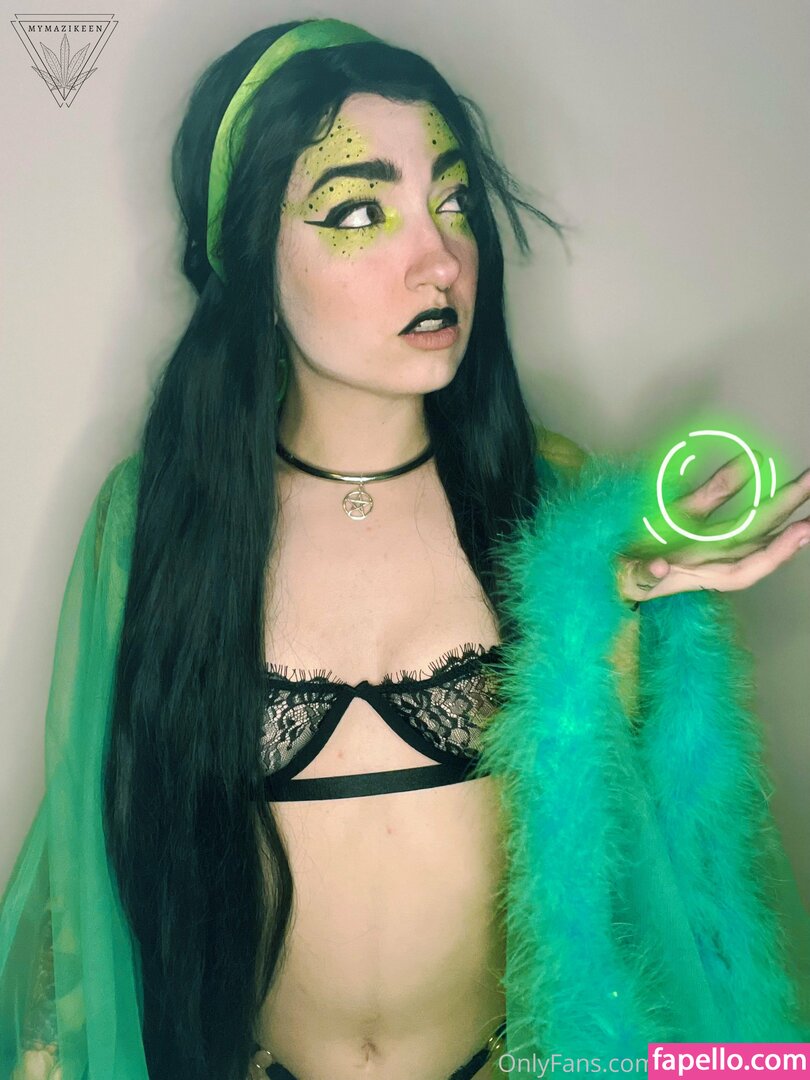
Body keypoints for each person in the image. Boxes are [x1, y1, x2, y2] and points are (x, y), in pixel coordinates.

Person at [2, 17, 809, 1080]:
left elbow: (650, 888)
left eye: (454, 203)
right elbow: (89, 883)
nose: (439, 259)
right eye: (359, 211)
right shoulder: (159, 522)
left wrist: (614, 610)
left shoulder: (553, 511)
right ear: (250, 256)